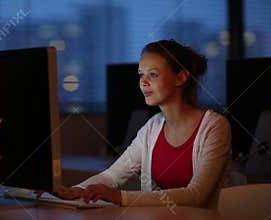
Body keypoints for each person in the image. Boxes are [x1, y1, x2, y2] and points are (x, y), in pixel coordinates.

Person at [41, 39, 232, 208]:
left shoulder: (214, 126)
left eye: (153, 74)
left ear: (180, 77)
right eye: (141, 75)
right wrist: (77, 190)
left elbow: (196, 196)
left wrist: (120, 197)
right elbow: (112, 176)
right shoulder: (151, 127)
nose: (143, 82)